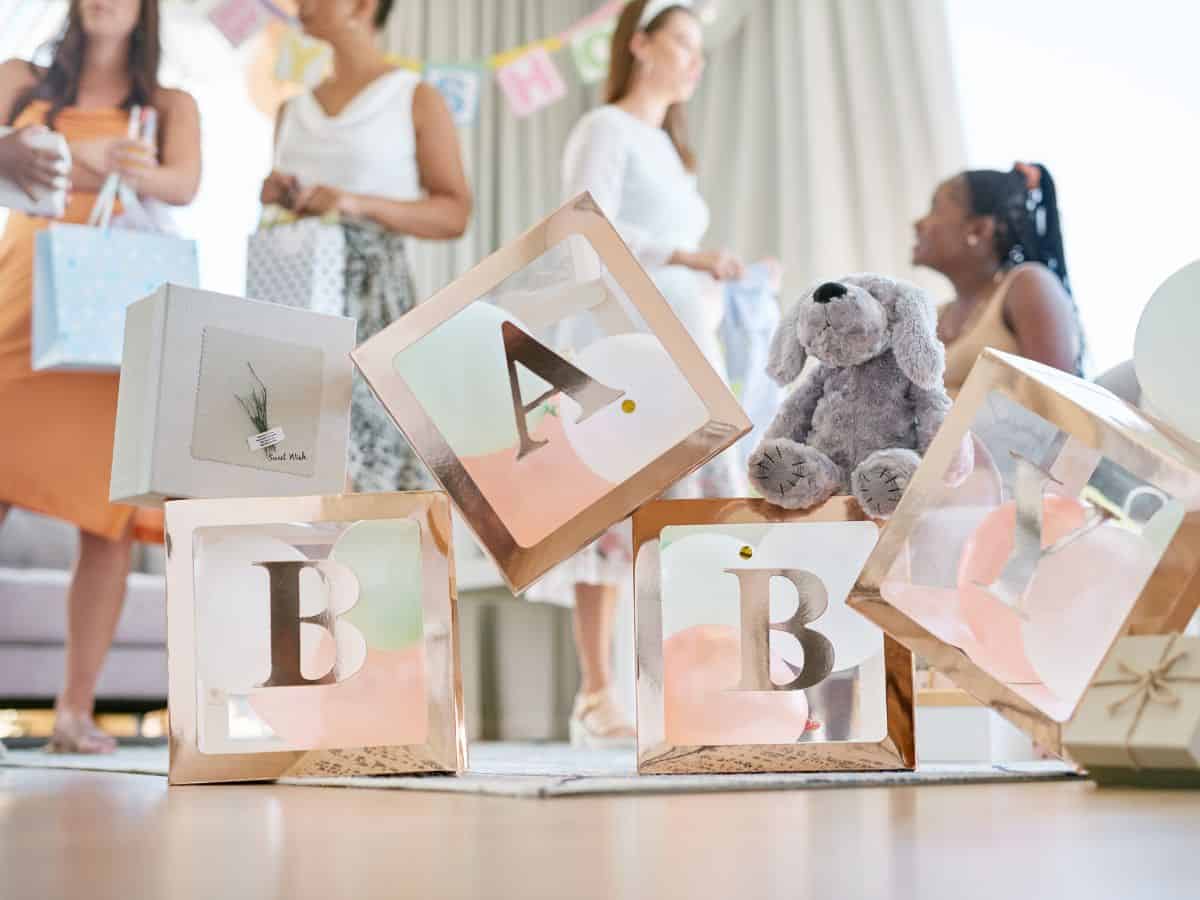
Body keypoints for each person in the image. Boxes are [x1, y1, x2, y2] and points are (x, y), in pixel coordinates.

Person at [536, 0, 748, 747]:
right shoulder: (606, 130)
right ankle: (596, 694)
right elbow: (582, 225)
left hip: (684, 350)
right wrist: (686, 258)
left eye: (700, 48)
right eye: (683, 42)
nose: (695, 59)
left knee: (679, 514)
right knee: (605, 511)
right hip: (616, 344)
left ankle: (683, 678)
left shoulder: (673, 154)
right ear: (641, 44)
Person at [0, 0, 201, 753]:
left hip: (113, 324)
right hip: (20, 305)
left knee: (106, 517)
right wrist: (51, 151)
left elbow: (186, 185)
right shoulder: (20, 80)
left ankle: (74, 710)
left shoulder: (170, 106)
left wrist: (139, 168)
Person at [261, 0, 471, 493]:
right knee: (294, 458)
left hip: (373, 302)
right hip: (295, 301)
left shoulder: (413, 96)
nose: (302, 5)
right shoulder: (292, 108)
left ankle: (376, 569)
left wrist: (355, 203)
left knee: (373, 475)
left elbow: (454, 212)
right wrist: (277, 196)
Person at [912, 162, 1084, 395]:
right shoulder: (934, 317)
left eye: (935, 209)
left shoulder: (1027, 285)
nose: (919, 223)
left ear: (979, 230)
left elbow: (1056, 405)